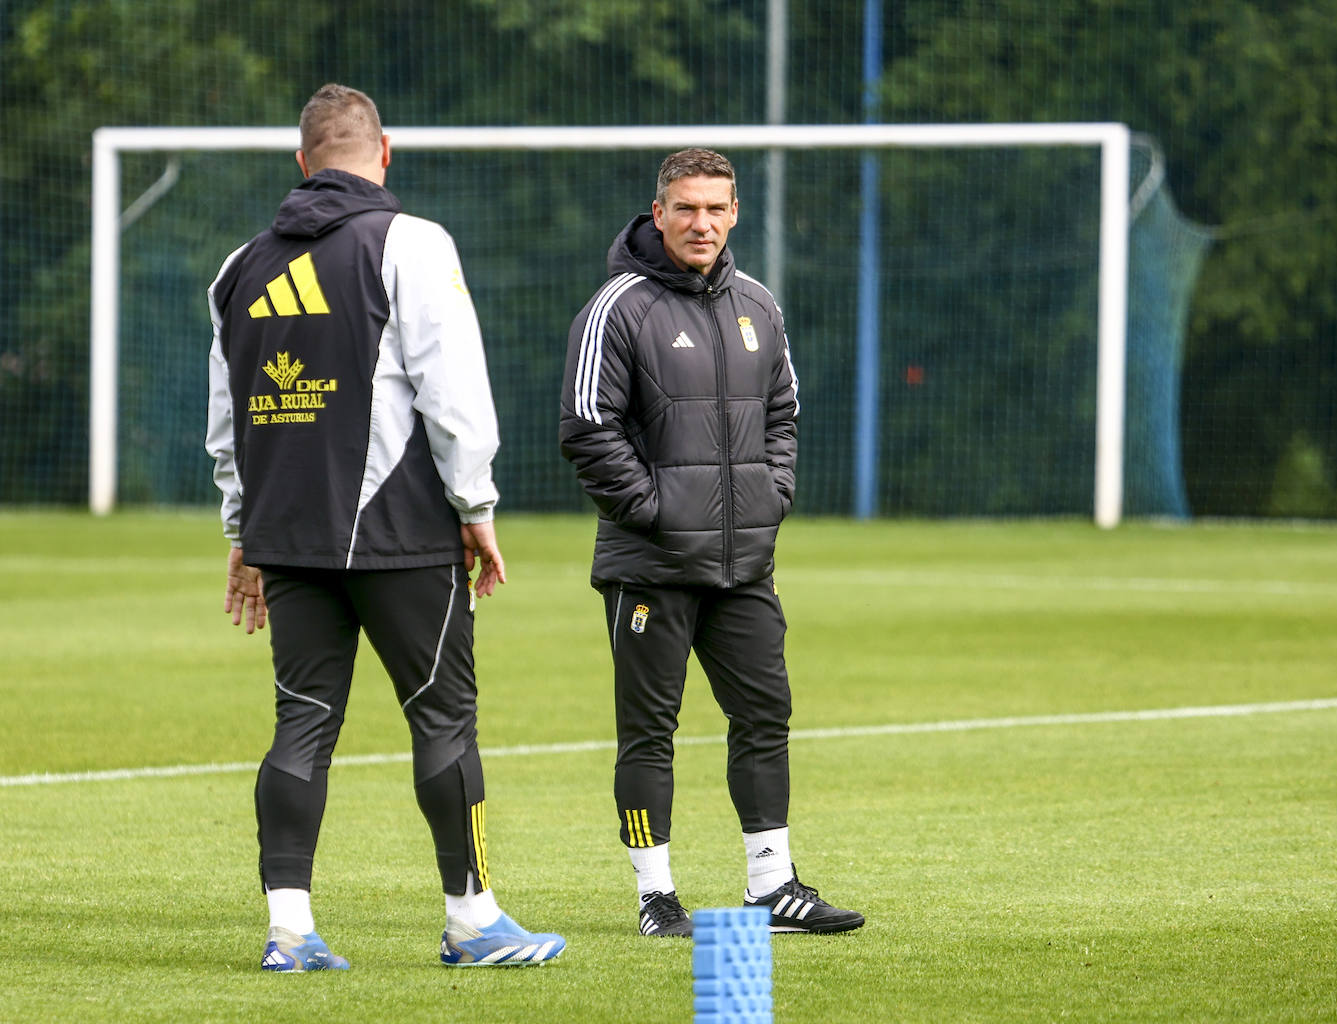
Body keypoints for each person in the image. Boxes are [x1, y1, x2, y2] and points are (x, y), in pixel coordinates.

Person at [206, 83, 564, 971]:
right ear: (385, 152)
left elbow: (227, 419)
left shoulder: (239, 265)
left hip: (287, 536)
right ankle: (471, 921)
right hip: (400, 532)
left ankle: (289, 934)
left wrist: (242, 530)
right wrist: (475, 507)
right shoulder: (412, 243)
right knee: (443, 720)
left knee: (302, 724)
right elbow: (452, 392)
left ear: (302, 161)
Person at [559, 148, 864, 938]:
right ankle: (655, 896)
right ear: (657, 213)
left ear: (735, 214)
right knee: (649, 734)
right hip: (651, 566)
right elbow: (586, 428)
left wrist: (772, 496)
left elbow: (784, 414)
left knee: (766, 715)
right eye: (686, 208)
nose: (702, 224)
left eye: (716, 209)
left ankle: (772, 885)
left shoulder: (758, 305)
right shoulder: (617, 307)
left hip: (743, 564)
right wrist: (657, 510)